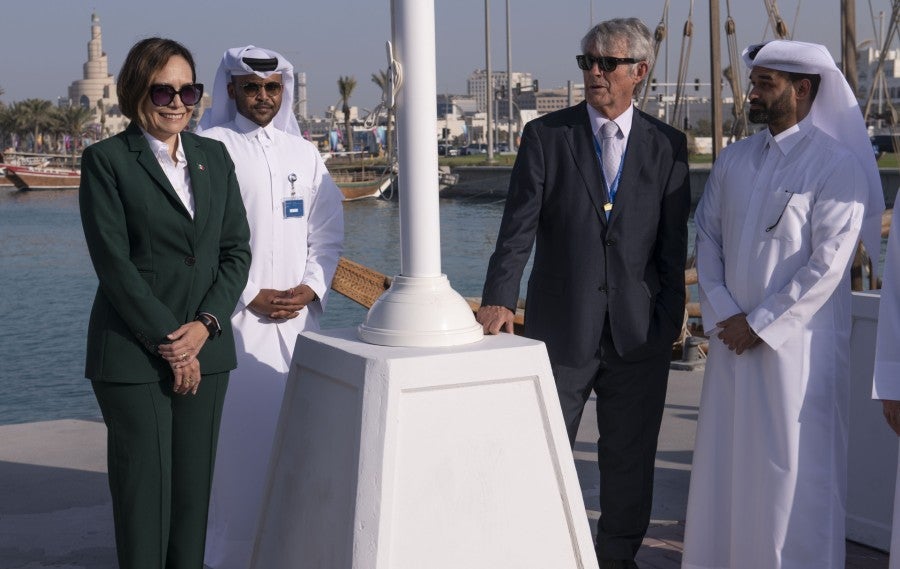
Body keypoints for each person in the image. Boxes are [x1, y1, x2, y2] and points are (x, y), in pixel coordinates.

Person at [477, 18, 690, 568]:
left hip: (639, 336)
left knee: (629, 461)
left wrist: (668, 321)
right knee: (543, 453)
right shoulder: (547, 136)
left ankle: (617, 559)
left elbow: (671, 248)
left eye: (606, 63)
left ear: (638, 72)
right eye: (587, 62)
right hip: (560, 330)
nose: (593, 72)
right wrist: (499, 297)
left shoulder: (669, 146)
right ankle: (541, 554)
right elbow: (517, 229)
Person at [682, 40, 883, 569]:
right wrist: (725, 312)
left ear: (803, 89)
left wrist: (761, 325)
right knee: (728, 467)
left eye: (764, 84)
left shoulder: (836, 167)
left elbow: (828, 264)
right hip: (731, 342)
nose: (751, 92)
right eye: (754, 82)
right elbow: (707, 234)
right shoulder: (735, 159)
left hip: (798, 354)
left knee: (792, 472)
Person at [79, 37, 251, 568]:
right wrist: (173, 346)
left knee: (191, 502)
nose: (178, 103)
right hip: (134, 358)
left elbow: (235, 252)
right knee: (143, 502)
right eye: (163, 91)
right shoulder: (106, 161)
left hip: (209, 350)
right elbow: (115, 266)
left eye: (188, 90)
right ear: (136, 92)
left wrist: (203, 328)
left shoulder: (213, 157)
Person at [196, 46, 344, 569]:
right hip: (234, 325)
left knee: (297, 449)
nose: (263, 97)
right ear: (232, 89)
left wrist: (309, 286)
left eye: (273, 88)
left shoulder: (302, 153)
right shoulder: (208, 147)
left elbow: (325, 233)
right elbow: (202, 238)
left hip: (298, 327)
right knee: (233, 459)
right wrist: (249, 291)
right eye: (252, 87)